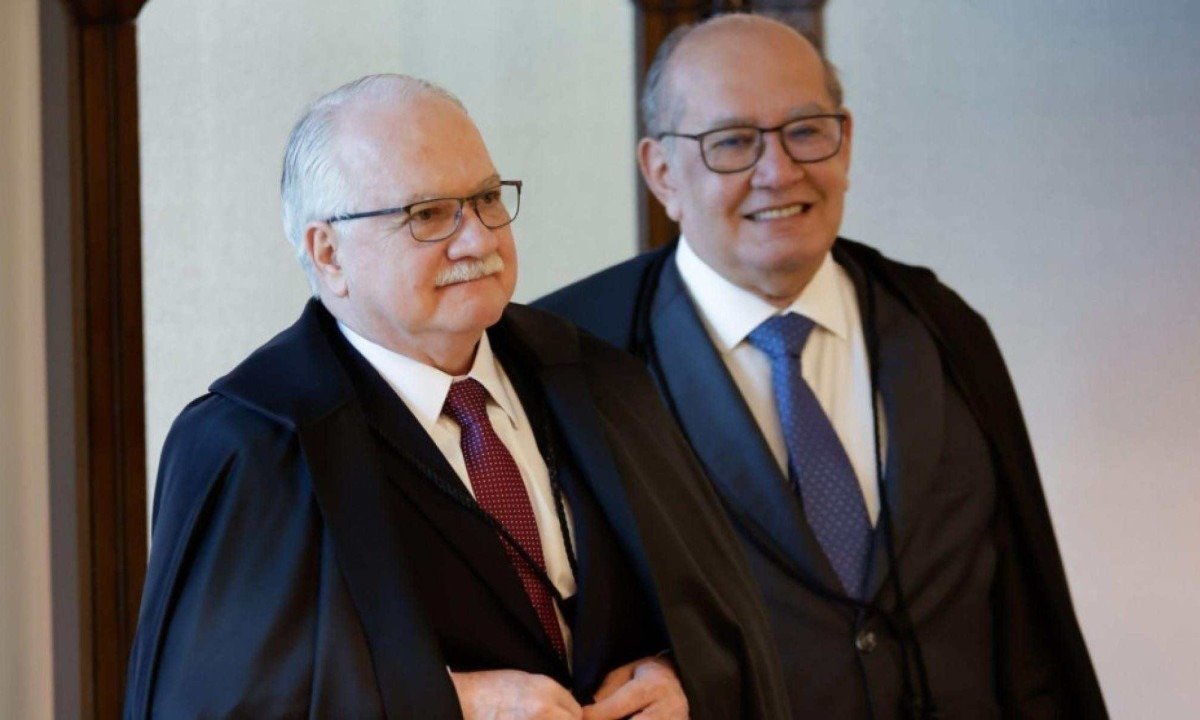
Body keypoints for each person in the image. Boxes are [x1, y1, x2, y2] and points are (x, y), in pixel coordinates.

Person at [123, 74, 791, 720]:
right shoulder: (250, 444)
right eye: (428, 215)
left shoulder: (600, 378)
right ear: (328, 254)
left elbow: (724, 626)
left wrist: (681, 679)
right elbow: (203, 707)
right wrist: (443, 707)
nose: (479, 239)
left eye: (487, 199)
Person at [537, 14, 1106, 719]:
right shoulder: (574, 361)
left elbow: (1027, 625)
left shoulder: (942, 326)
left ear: (847, 141)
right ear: (661, 172)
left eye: (806, 131)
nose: (779, 172)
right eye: (732, 142)